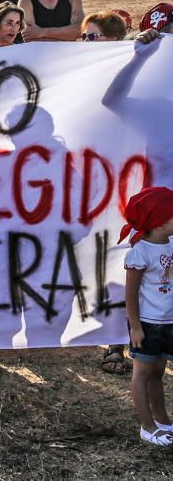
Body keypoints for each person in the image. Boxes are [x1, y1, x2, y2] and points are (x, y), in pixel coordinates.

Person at [120, 186, 173, 447]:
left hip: (169, 322)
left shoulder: (171, 243)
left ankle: (163, 420)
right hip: (148, 324)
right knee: (142, 372)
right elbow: (130, 294)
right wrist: (136, 326)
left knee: (159, 371)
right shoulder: (140, 253)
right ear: (161, 222)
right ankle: (147, 426)